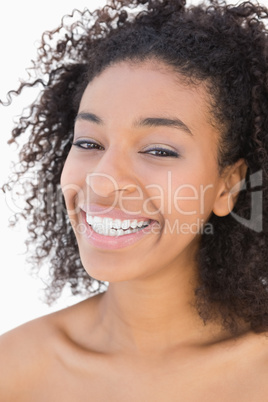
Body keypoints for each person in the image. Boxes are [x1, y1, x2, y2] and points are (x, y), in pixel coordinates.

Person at [1, 0, 268, 399]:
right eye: (89, 142)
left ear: (227, 186)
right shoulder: (14, 369)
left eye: (158, 150)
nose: (103, 183)